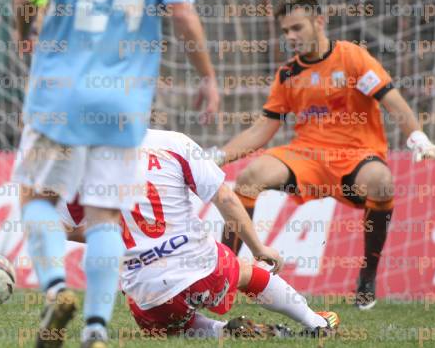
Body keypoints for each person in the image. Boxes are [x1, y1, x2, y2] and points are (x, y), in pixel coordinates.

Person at [11, 0, 219, 346]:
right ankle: (96, 329)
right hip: (123, 102)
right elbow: (182, 13)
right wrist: (208, 77)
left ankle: (55, 288)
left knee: (36, 197)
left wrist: (23, 31)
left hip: (59, 93)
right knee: (104, 215)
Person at [211, 0, 435, 311]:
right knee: (249, 177)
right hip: (307, 157)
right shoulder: (288, 74)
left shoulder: (352, 58)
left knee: (381, 181)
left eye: (297, 28)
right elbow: (262, 130)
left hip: (356, 155)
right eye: (285, 31)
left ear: (319, 21)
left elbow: (391, 100)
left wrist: (418, 139)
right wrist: (215, 157)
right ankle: (224, 278)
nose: (291, 37)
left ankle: (367, 280)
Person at [60, 129, 339, 339]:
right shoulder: (172, 143)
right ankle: (314, 321)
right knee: (246, 273)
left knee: (170, 325)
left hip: (149, 298)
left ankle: (221, 332)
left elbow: (67, 229)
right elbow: (225, 199)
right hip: (204, 269)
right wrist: (259, 249)